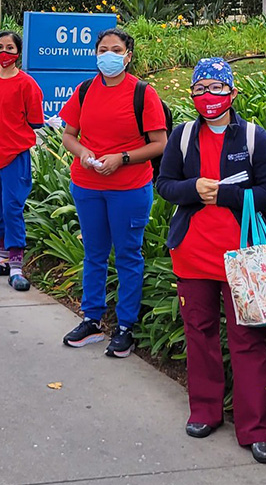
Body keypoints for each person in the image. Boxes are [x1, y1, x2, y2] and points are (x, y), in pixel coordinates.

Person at [154, 58, 266, 465]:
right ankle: (205, 411)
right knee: (200, 334)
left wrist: (224, 195)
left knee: (248, 341)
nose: (208, 96)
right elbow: (165, 186)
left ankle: (258, 430)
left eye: (216, 88)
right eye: (201, 88)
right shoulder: (182, 135)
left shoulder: (252, 138)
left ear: (232, 93)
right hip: (192, 255)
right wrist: (194, 188)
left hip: (241, 258)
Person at [58, 28, 167, 358]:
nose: (108, 54)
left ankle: (125, 327)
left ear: (127, 56)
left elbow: (159, 143)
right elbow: (68, 135)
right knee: (93, 253)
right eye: (102, 49)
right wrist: (84, 154)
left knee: (128, 255)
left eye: (115, 49)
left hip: (129, 189)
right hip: (88, 185)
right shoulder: (85, 90)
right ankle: (91, 319)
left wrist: (120, 159)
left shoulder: (143, 94)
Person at [0, 31, 43, 292]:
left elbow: (35, 120)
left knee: (12, 208)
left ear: (18, 53)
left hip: (14, 155)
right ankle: (1, 259)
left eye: (10, 48)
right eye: (0, 47)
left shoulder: (27, 84)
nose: (4, 53)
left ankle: (16, 266)